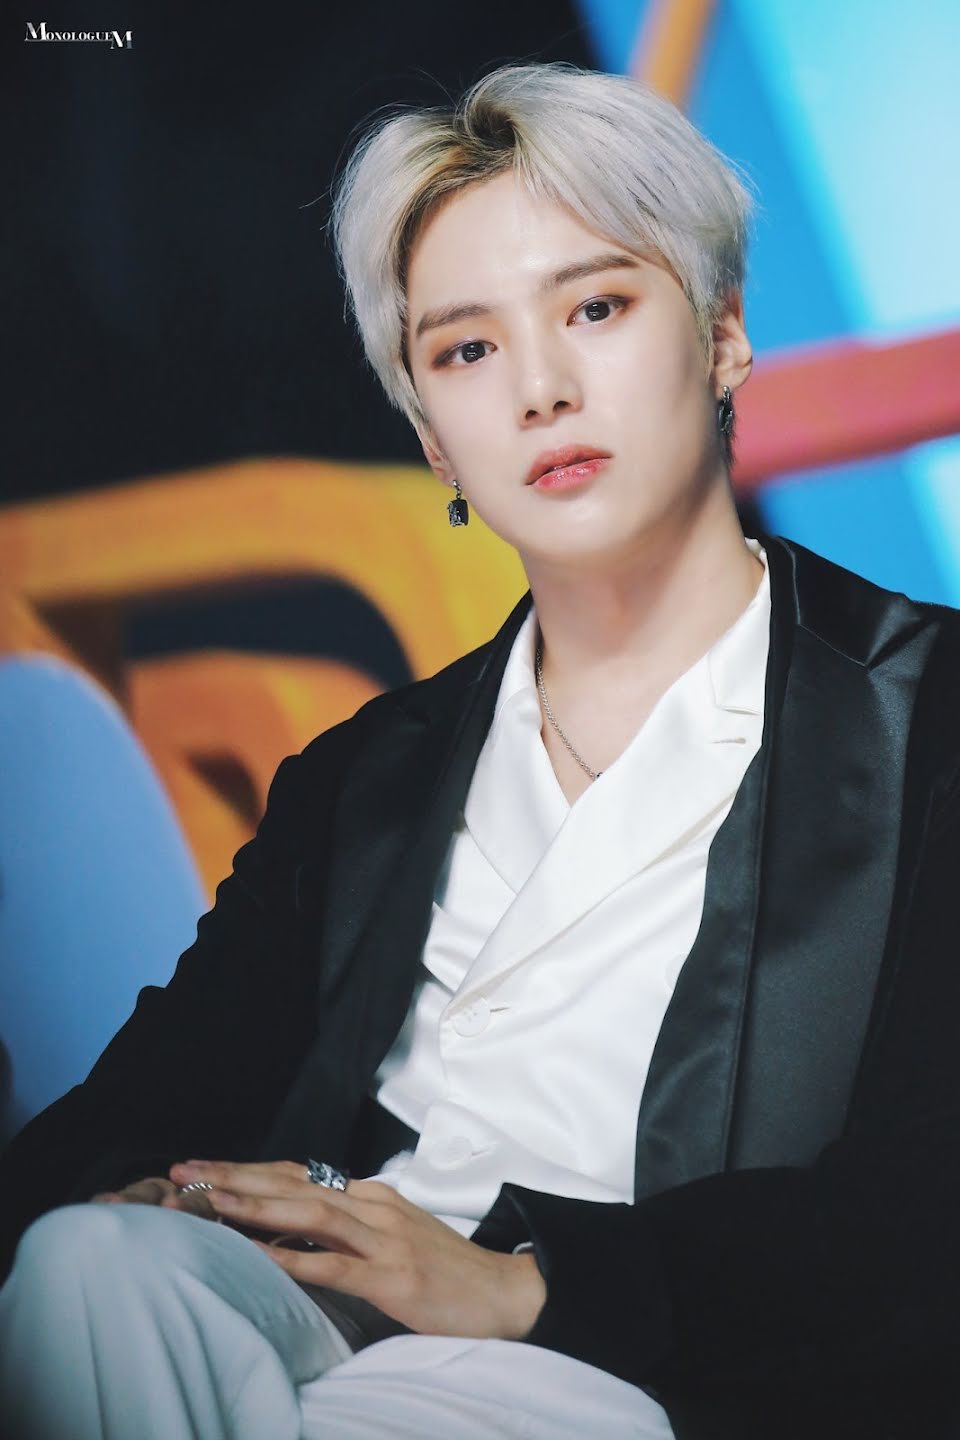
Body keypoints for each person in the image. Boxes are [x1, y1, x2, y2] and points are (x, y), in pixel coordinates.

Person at [2, 59, 959, 1440]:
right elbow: (136, 1105)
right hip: (327, 1307)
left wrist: (519, 1285)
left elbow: (925, 1216)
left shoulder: (929, 717)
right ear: (431, 439)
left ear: (723, 335)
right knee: (84, 1264)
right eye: (467, 350)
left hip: (631, 1367)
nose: (541, 390)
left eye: (596, 307)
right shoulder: (366, 774)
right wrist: (157, 1191)